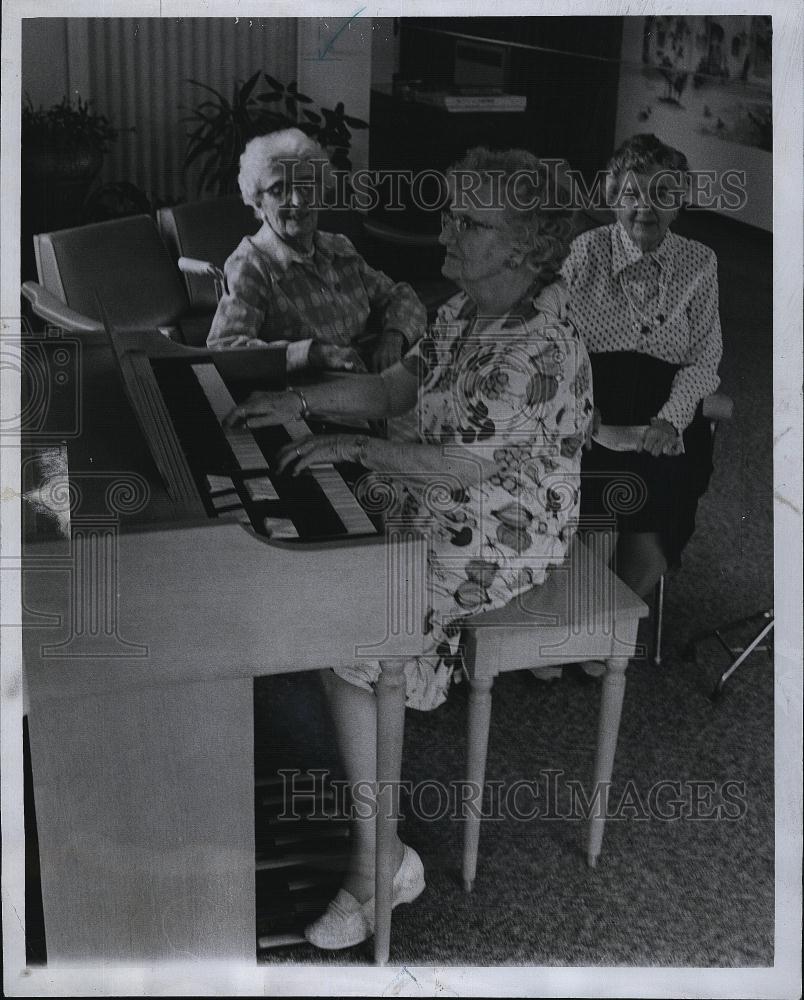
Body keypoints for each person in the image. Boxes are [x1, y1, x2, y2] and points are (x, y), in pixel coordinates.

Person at [225, 147, 594, 949]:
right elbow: (397, 391)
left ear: (525, 246)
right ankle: (374, 835)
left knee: (356, 621)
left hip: (506, 524)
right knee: (324, 567)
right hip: (440, 488)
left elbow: (467, 462)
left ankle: (377, 865)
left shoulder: (541, 342)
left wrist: (352, 451)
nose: (445, 230)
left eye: (471, 221)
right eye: (450, 211)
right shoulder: (462, 309)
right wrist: (297, 398)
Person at [563, 133, 723, 600]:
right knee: (595, 532)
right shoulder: (586, 251)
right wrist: (576, 401)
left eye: (663, 194)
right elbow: (557, 338)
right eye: (633, 193)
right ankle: (578, 618)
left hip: (664, 414)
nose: (645, 207)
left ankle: (607, 622)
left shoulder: (701, 262)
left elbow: (705, 358)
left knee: (650, 549)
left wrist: (669, 420)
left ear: (680, 203)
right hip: (594, 403)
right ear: (613, 198)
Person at [207, 128, 426, 372]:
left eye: (306, 186)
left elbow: (401, 297)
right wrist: (311, 354)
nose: (298, 201)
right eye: (279, 190)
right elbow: (225, 350)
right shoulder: (252, 265)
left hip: (370, 381)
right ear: (258, 200)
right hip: (311, 392)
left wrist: (393, 337)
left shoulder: (339, 248)